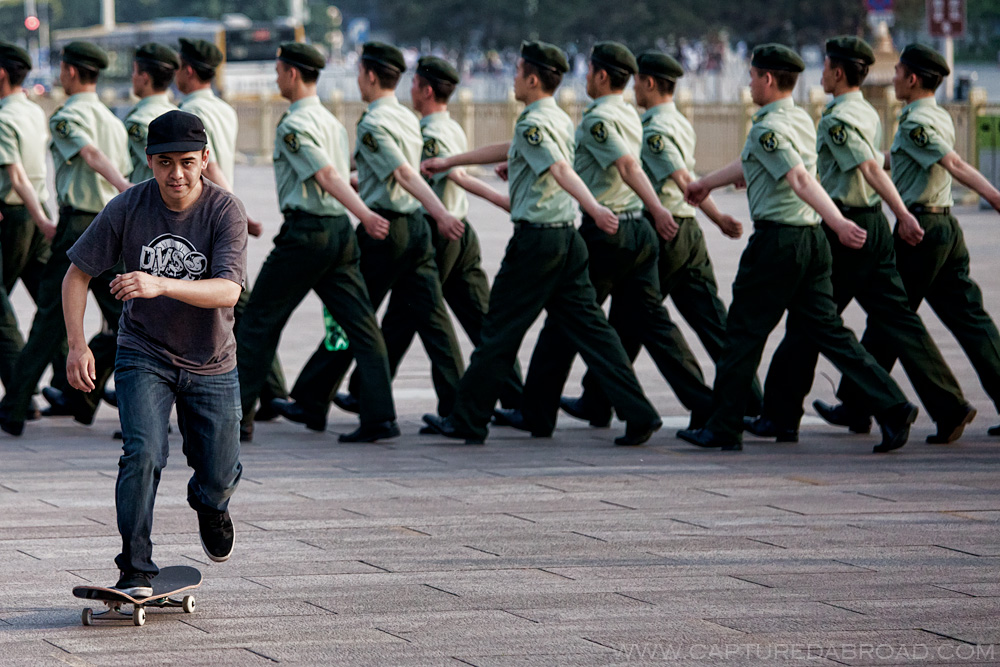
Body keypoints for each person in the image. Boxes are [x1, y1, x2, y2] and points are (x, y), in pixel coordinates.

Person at [678, 43, 918, 453]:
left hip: (779, 242)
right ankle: (893, 405)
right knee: (830, 333)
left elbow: (801, 179)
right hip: (810, 244)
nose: (750, 82)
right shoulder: (800, 119)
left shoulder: (768, 126)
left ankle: (723, 426)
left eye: (753, 76)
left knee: (742, 333)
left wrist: (839, 222)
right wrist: (706, 185)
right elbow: (752, 161)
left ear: (768, 79)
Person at [421, 40, 662, 446]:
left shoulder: (533, 123)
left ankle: (468, 418)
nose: (513, 79)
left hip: (537, 243)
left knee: (498, 331)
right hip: (567, 239)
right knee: (593, 332)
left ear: (533, 79)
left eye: (517, 73)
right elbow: (516, 149)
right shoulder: (556, 117)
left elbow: (559, 166)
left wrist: (595, 207)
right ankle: (639, 413)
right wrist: (450, 161)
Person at [745, 37, 975, 445]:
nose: (820, 75)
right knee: (899, 320)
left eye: (825, 67)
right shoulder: (868, 112)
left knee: (809, 324)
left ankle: (785, 414)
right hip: (874, 228)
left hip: (846, 229)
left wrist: (903, 213)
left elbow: (869, 167)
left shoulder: (836, 120)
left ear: (836, 72)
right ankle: (949, 405)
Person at [273, 54, 521, 430]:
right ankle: (483, 402)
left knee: (357, 318)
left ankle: (324, 395)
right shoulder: (437, 125)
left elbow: (422, 174)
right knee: (448, 321)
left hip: (423, 230)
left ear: (424, 89)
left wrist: (480, 205)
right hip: (452, 229)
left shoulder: (419, 129)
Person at [63, 110, 244, 596]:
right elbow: (77, 274)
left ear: (206, 158)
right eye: (165, 163)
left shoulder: (225, 211)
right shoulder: (128, 206)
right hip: (144, 352)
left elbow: (228, 291)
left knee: (221, 474)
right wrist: (78, 345)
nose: (177, 175)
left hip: (211, 361)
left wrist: (159, 283)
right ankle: (135, 567)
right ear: (149, 161)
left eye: (187, 162)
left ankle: (210, 503)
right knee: (142, 452)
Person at [494, 41, 713, 438]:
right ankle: (705, 405)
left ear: (600, 75)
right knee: (654, 326)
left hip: (606, 232)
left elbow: (625, 165)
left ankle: (538, 411)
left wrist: (659, 209)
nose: (585, 79)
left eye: (590, 71)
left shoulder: (596, 119)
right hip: (639, 231)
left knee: (566, 325)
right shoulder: (632, 116)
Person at [562, 50, 760, 429]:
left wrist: (718, 216)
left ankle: (694, 403)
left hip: (666, 230)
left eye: (638, 82)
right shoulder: (680, 122)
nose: (634, 88)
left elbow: (683, 178)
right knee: (709, 322)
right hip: (689, 234)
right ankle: (750, 399)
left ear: (650, 83)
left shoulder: (652, 130)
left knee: (642, 320)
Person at [814, 43, 1000, 438]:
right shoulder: (937, 115)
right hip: (946, 227)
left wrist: (994, 195)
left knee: (889, 318)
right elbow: (897, 160)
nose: (893, 77)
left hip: (921, 232)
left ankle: (908, 405)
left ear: (912, 79)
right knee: (971, 321)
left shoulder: (916, 123)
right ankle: (861, 403)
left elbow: (954, 163)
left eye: (897, 72)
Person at [236, 42, 398, 443]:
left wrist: (366, 214)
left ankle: (236, 417)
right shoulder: (332, 122)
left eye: (277, 71)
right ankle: (379, 416)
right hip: (339, 234)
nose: (275, 78)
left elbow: (327, 175)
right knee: (361, 326)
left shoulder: (294, 124)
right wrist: (356, 216)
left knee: (258, 320)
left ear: (292, 74)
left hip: (307, 232)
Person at [0, 41, 131, 436]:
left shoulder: (65, 116)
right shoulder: (112, 118)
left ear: (71, 72)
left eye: (61, 69)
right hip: (114, 223)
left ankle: (15, 406)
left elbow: (89, 155)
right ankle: (80, 395)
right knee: (126, 317)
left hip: (82, 223)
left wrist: (126, 188)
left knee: (50, 318)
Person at [176, 37, 287, 431]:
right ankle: (272, 390)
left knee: (232, 308)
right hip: (226, 214)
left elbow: (209, 165)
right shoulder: (224, 108)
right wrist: (238, 210)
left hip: (203, 214)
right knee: (244, 305)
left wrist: (231, 205)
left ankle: (245, 404)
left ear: (188, 70)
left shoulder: (189, 110)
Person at [0, 41, 59, 413]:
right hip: (40, 214)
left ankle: (20, 394)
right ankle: (76, 390)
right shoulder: (34, 112)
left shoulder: (3, 118)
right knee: (51, 304)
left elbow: (16, 177)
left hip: (15, 216)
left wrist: (37, 218)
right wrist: (44, 218)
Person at [124, 43, 179, 184]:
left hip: (147, 201)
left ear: (145, 78)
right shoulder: (179, 115)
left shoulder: (138, 121)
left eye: (135, 71)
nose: (132, 77)